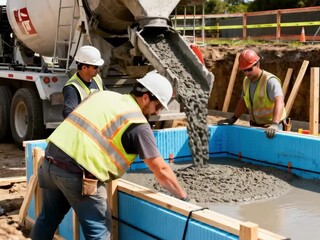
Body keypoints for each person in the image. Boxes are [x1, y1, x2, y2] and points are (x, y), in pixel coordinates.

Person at [31, 71, 189, 240]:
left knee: (47, 220)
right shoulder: (137, 124)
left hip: (50, 164)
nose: (157, 112)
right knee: (99, 233)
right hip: (77, 176)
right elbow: (161, 170)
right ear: (145, 98)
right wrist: (183, 198)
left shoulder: (104, 96)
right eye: (157, 106)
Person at [218, 49, 287, 138]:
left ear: (257, 64)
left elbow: (279, 102)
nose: (247, 73)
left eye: (249, 69)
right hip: (256, 125)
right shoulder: (246, 81)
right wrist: (233, 118)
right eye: (244, 70)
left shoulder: (270, 81)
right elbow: (243, 101)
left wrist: (275, 124)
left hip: (273, 127)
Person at [62, 45, 106, 118]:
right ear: (84, 67)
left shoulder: (97, 78)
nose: (98, 70)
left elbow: (106, 97)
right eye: (95, 67)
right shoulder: (72, 87)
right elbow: (68, 113)